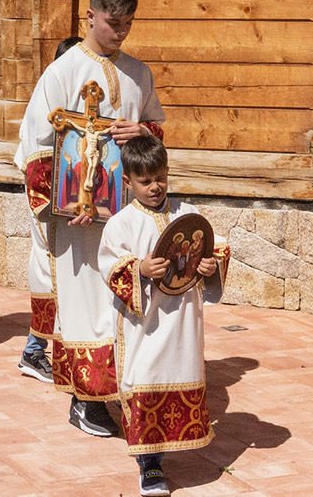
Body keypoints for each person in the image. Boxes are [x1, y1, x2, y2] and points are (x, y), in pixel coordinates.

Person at [15, 0, 165, 437]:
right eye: (113, 22)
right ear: (90, 16)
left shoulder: (139, 74)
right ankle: (85, 401)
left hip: (126, 216)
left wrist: (140, 132)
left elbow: (157, 136)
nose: (121, 32)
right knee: (86, 306)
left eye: (128, 24)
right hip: (78, 219)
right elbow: (35, 147)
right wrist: (59, 204)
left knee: (124, 306)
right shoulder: (61, 74)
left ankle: (117, 393)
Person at [98, 135, 228, 497]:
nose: (155, 187)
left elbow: (212, 248)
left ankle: (161, 454)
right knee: (144, 380)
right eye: (145, 181)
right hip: (145, 323)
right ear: (128, 182)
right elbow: (109, 264)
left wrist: (208, 265)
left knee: (178, 374)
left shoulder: (187, 214)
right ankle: (149, 465)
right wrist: (138, 267)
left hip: (183, 320)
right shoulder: (120, 224)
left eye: (161, 178)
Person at [17, 35, 81, 384]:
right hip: (54, 205)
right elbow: (33, 149)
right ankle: (33, 351)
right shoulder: (48, 98)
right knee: (51, 273)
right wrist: (50, 203)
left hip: (88, 205)